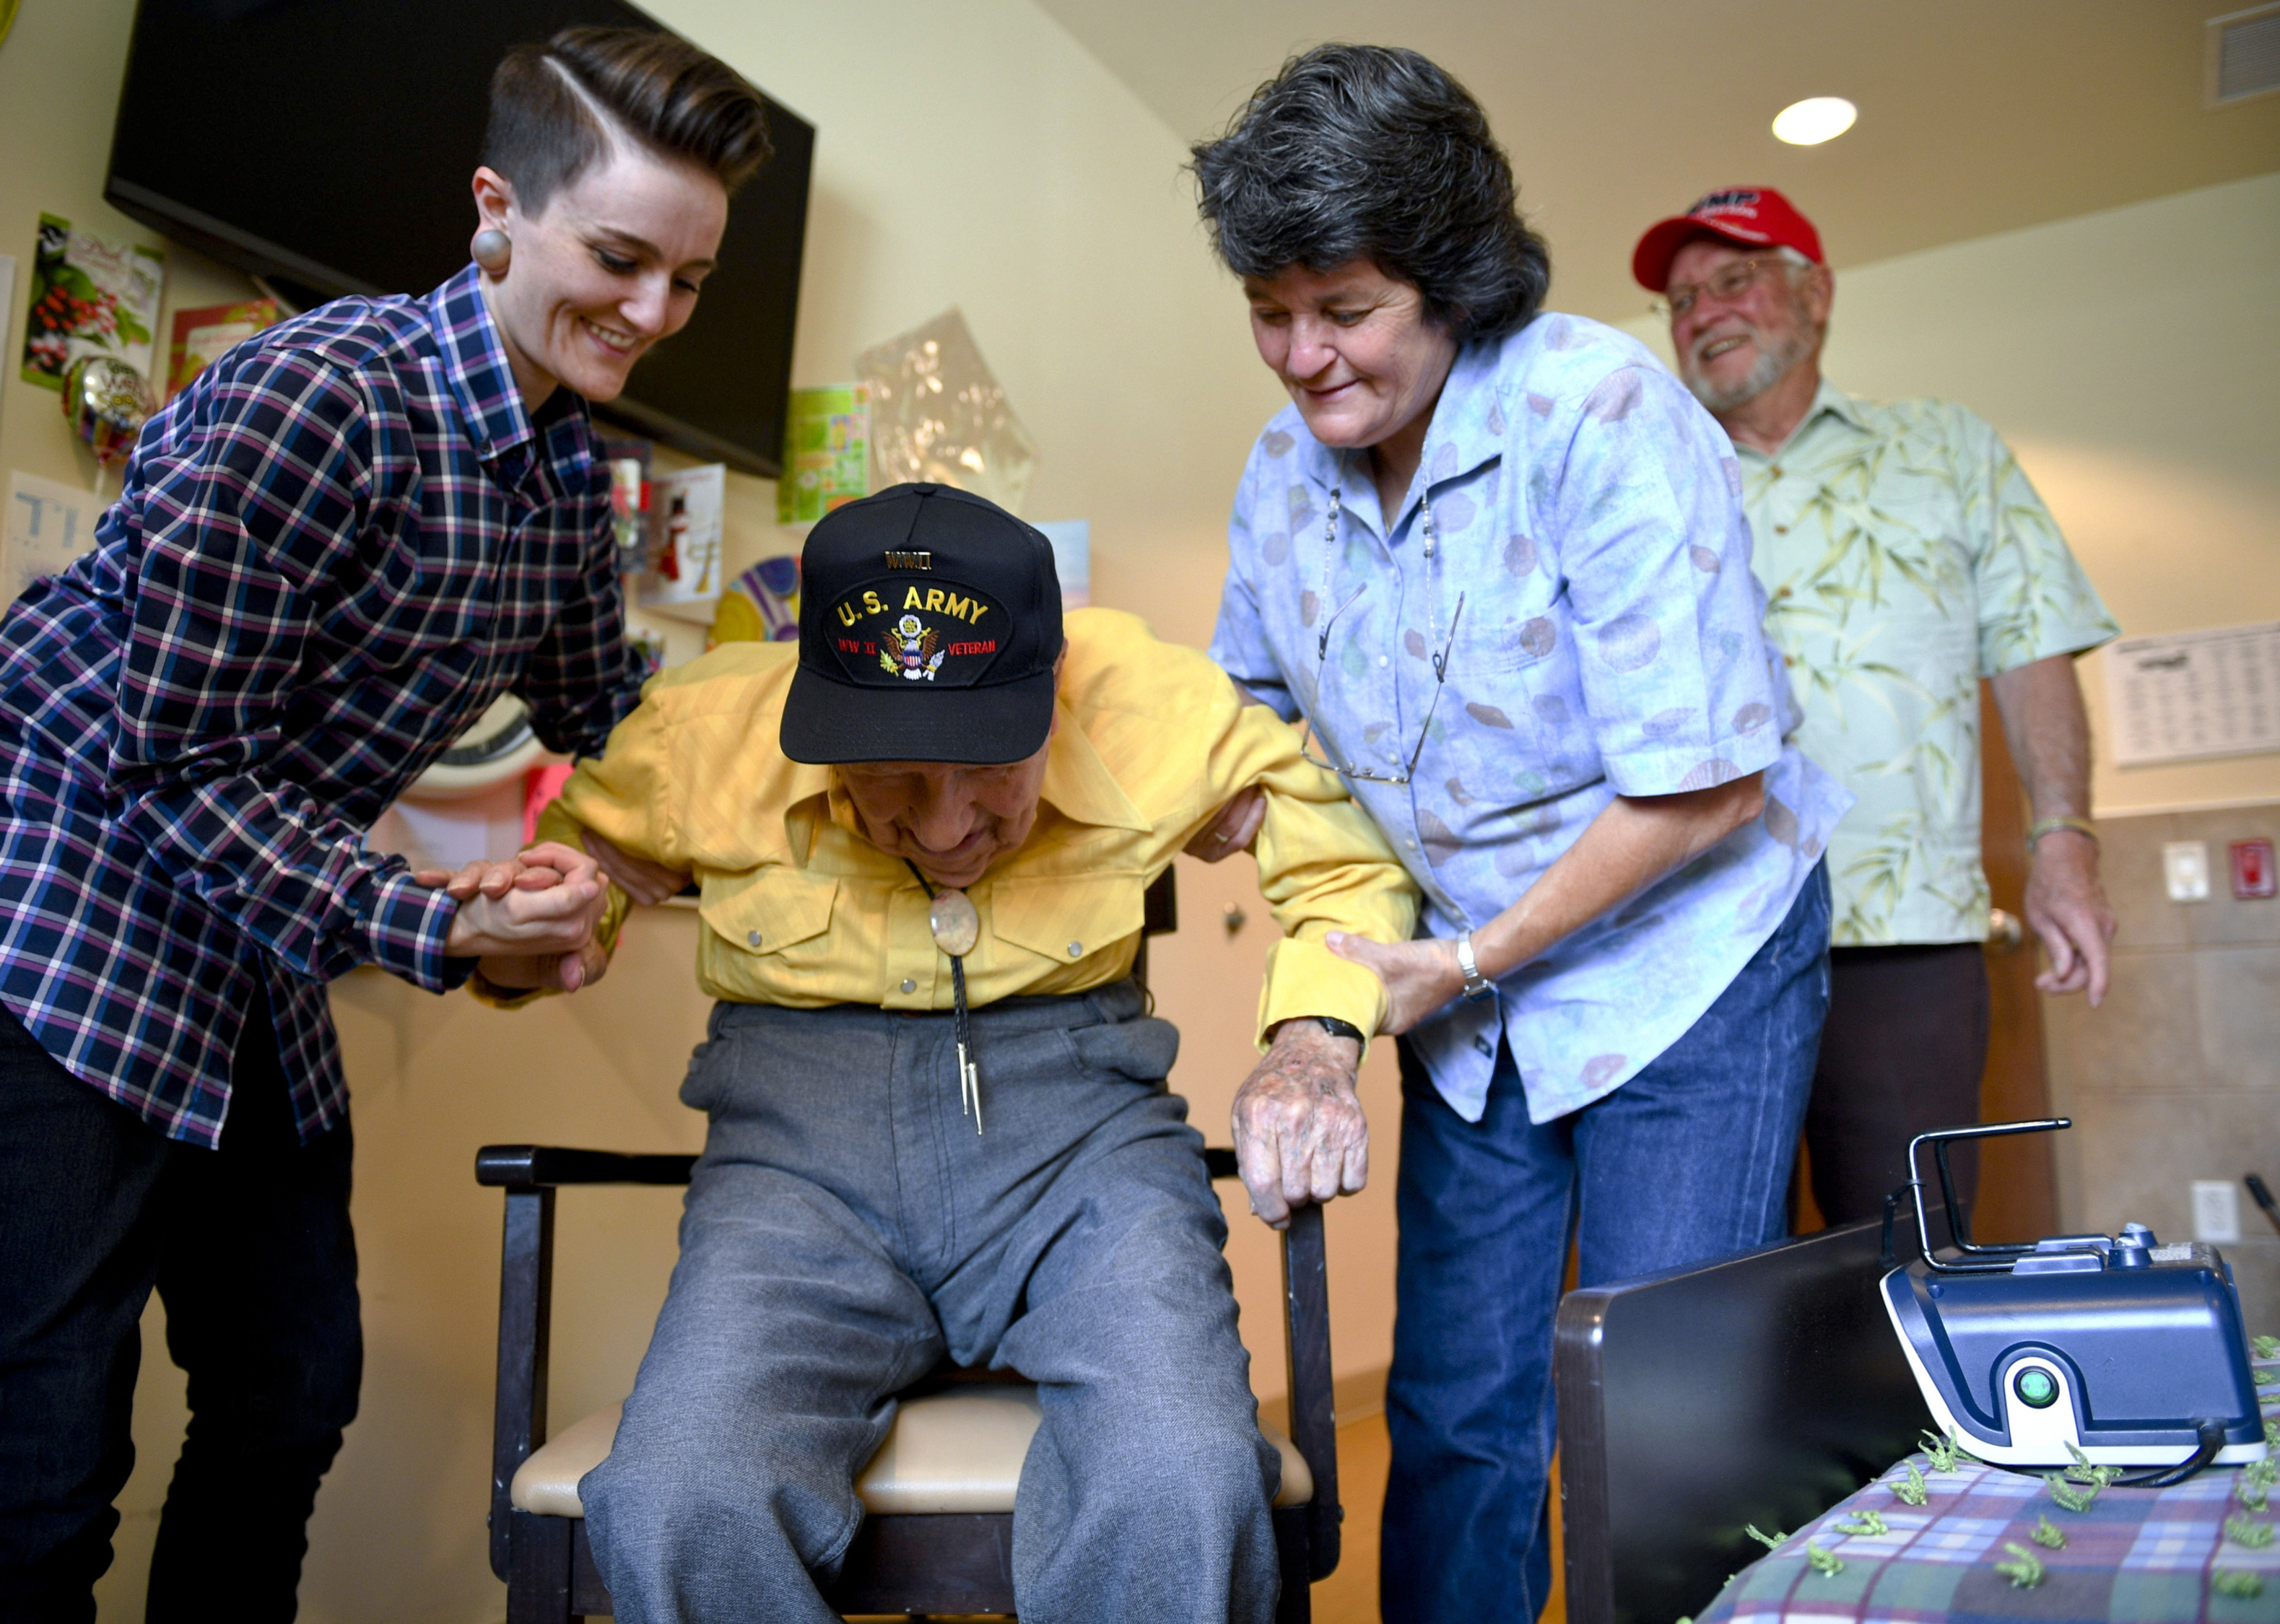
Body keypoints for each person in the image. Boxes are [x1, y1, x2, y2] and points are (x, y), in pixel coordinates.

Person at [0, 28, 769, 1619]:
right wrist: (439, 919)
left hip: (244, 925)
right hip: (54, 888)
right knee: (45, 1454)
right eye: (621, 260)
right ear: (497, 205)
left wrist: (835, 755)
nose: (652, 316)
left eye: (688, 283)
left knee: (289, 1393)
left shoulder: (569, 474)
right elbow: (172, 768)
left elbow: (611, 722)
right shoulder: (312, 396)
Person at [471, 481, 1417, 1623]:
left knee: (1184, 1476)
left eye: (989, 767)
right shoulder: (702, 731)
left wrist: (1312, 1043)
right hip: (795, 1176)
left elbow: (1343, 863)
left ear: (1052, 685)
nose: (945, 826)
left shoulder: (1141, 697)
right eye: (894, 775)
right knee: (681, 1493)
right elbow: (586, 874)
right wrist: (536, 926)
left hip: (1083, 1159)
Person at [1185, 47, 1850, 1620]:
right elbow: (1244, 719)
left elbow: (1707, 787)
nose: (1301, 356)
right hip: (1463, 990)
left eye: (1343, 310)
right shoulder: (1282, 478)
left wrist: (1469, 957)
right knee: (1460, 1409)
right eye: (1270, 313)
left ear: (1452, 280)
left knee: (1657, 1398)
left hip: (1690, 961)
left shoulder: (1600, 412)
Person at [1631, 187, 2119, 1226]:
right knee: (1712, 1281)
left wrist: (2064, 844)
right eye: (1679, 300)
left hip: (1901, 936)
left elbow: (2034, 646)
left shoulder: (1947, 451)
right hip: (1693, 943)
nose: (1702, 311)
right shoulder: (1644, 483)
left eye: (1734, 279)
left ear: (1816, 294)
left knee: (1909, 1257)